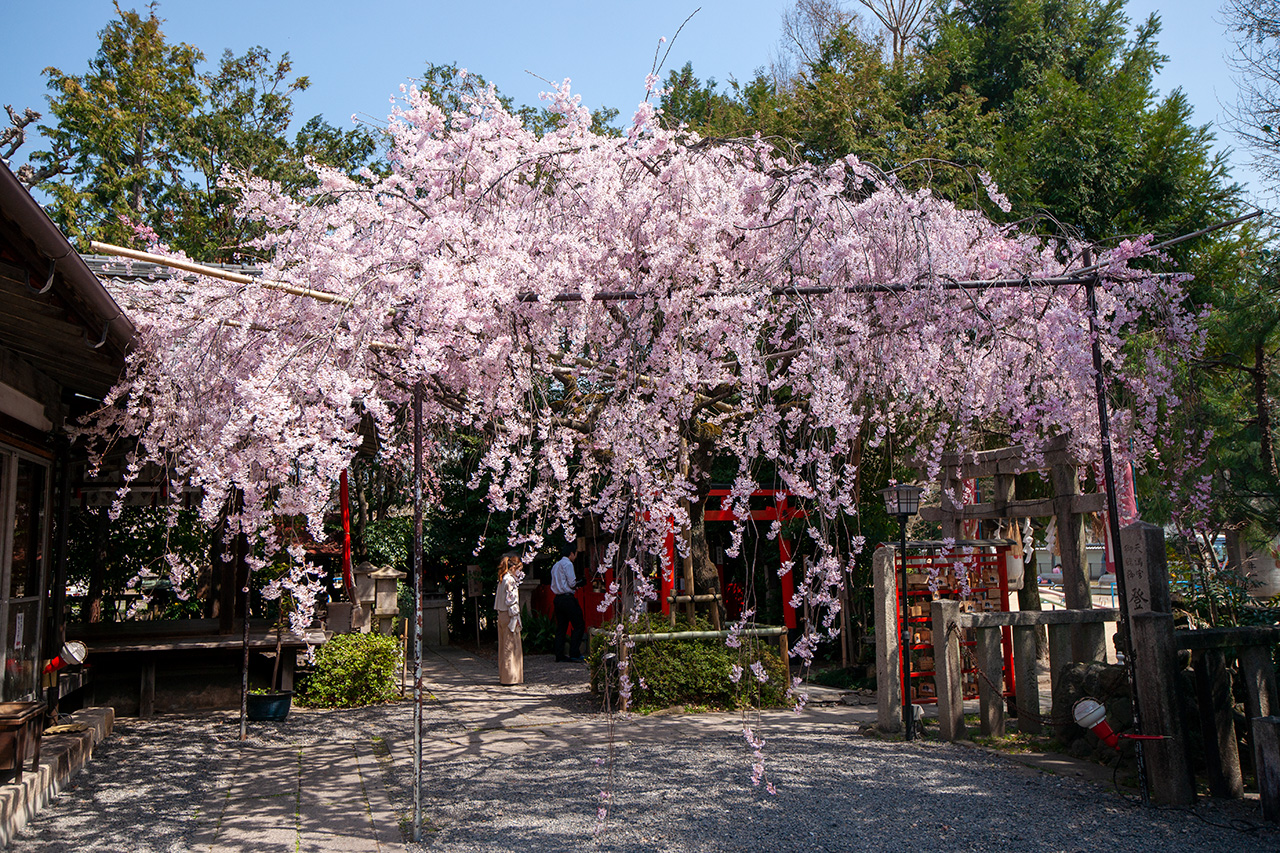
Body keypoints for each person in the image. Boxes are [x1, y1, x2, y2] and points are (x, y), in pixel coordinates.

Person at [550, 541, 585, 662]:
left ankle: (559, 655)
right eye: (575, 554)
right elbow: (571, 583)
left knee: (561, 627)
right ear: (572, 553)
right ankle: (574, 652)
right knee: (579, 625)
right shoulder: (568, 564)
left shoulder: (556, 565)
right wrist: (579, 583)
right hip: (568, 598)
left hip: (558, 599)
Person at [494, 553, 524, 685]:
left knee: (504, 647)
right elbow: (511, 601)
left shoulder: (502, 579)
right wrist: (515, 616)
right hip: (509, 615)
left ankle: (504, 676)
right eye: (519, 569)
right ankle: (510, 678)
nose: (519, 572)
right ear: (513, 567)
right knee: (511, 647)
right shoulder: (510, 580)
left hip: (501, 614)